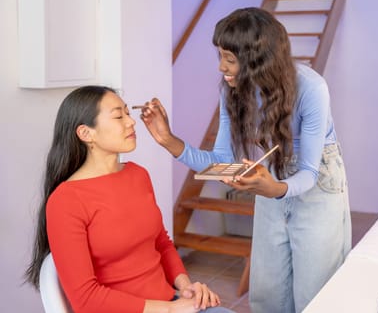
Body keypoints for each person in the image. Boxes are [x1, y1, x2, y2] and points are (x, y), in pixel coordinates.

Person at [138, 7, 351, 313]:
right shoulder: (233, 91)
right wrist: (168, 141)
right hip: (272, 181)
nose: (222, 66)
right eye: (220, 55)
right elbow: (222, 161)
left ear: (258, 59)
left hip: (317, 181)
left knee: (315, 297)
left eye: (230, 58)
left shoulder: (312, 88)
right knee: (268, 295)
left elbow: (307, 171)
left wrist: (274, 189)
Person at [25, 86, 234, 313]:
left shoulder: (138, 175)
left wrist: (186, 288)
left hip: (169, 302)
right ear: (86, 133)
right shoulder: (65, 201)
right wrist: (170, 309)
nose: (131, 122)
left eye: (128, 113)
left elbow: (161, 243)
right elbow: (85, 299)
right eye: (118, 116)